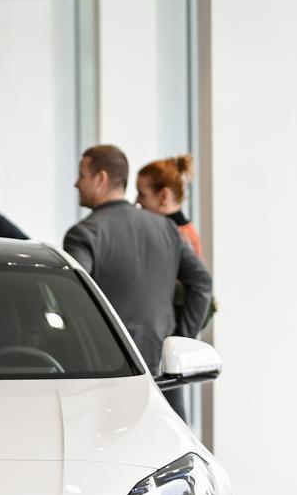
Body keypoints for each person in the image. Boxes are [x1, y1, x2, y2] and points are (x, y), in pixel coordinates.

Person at [64, 144, 212, 374]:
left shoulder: (84, 234)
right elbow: (202, 282)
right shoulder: (167, 228)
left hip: (107, 369)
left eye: (82, 175)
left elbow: (72, 299)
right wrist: (181, 343)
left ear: (101, 178)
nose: (76, 183)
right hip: (164, 371)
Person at [136, 154, 203, 257]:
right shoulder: (183, 233)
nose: (137, 200)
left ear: (164, 196)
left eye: (142, 194)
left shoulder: (178, 237)